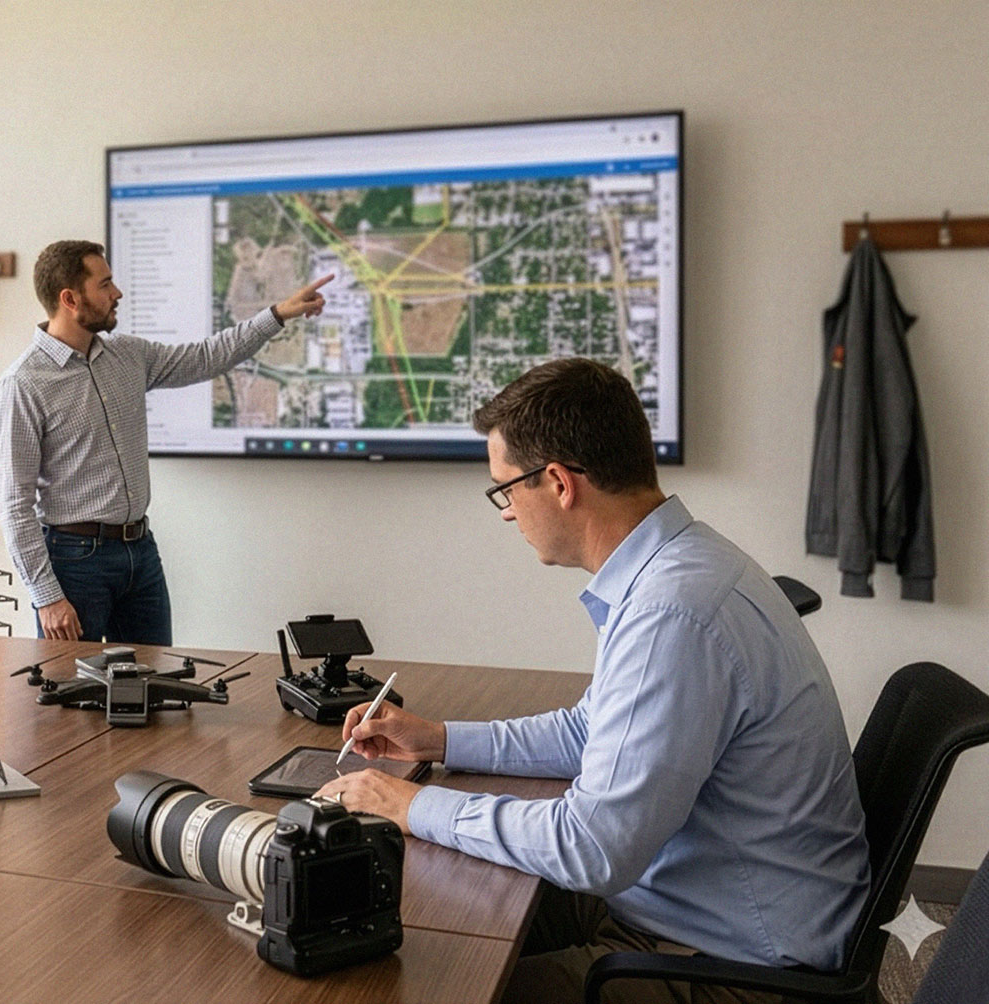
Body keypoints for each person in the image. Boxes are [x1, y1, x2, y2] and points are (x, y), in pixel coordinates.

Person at [315, 359, 870, 1004]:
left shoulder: (673, 613)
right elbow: (593, 729)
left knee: (430, 983)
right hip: (691, 901)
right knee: (414, 912)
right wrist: (440, 740)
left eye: (505, 489)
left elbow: (593, 849)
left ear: (557, 483)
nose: (505, 512)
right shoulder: (681, 563)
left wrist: (410, 805)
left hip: (731, 964)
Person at [0, 239, 330, 644]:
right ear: (70, 299)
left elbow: (207, 357)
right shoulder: (23, 384)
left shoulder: (127, 355)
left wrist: (276, 316)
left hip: (141, 554)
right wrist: (46, 597)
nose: (117, 293)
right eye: (105, 284)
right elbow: (14, 504)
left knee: (155, 688)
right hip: (74, 563)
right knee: (73, 698)